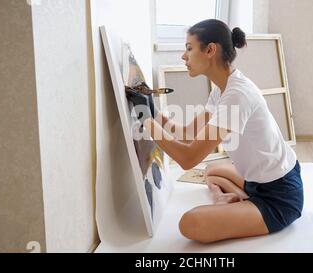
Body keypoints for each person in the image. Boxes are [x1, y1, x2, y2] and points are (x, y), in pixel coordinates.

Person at [126, 19, 303, 244]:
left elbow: (189, 158)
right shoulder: (222, 89)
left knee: (190, 223)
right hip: (260, 181)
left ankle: (248, 204)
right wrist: (151, 107)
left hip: (279, 197)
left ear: (210, 50)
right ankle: (228, 198)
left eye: (189, 48)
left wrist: (146, 118)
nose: (184, 56)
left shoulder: (237, 95)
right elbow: (187, 132)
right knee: (211, 170)